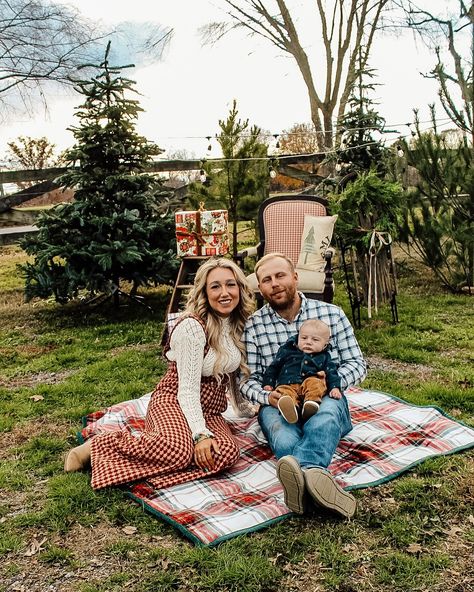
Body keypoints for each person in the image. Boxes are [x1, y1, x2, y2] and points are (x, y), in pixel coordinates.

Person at [64, 257, 256, 490]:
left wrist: (243, 409)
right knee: (178, 450)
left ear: (239, 287)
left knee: (226, 453)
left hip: (211, 410)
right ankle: (100, 446)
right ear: (204, 292)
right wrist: (200, 435)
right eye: (215, 286)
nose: (224, 292)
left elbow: (231, 376)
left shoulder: (237, 323)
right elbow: (187, 391)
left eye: (230, 284)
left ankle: (154, 460)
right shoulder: (192, 328)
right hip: (174, 400)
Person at [241, 253, 366, 518]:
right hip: (280, 400)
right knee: (282, 434)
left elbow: (356, 363)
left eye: (280, 275)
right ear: (259, 287)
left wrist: (329, 382)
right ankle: (317, 484)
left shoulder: (330, 314)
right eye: (266, 280)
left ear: (295, 278)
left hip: (320, 394)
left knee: (326, 417)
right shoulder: (254, 326)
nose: (274, 284)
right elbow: (248, 380)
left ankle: (302, 483)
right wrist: (268, 397)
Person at [262, 319, 342, 424]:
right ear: (298, 337)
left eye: (315, 340)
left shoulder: (324, 357)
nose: (308, 342)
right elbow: (274, 367)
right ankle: (290, 408)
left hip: (309, 383)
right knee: (283, 391)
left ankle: (310, 405)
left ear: (325, 345)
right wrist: (268, 383)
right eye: (304, 338)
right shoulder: (288, 351)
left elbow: (332, 373)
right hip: (288, 383)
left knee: (316, 384)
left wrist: (334, 387)